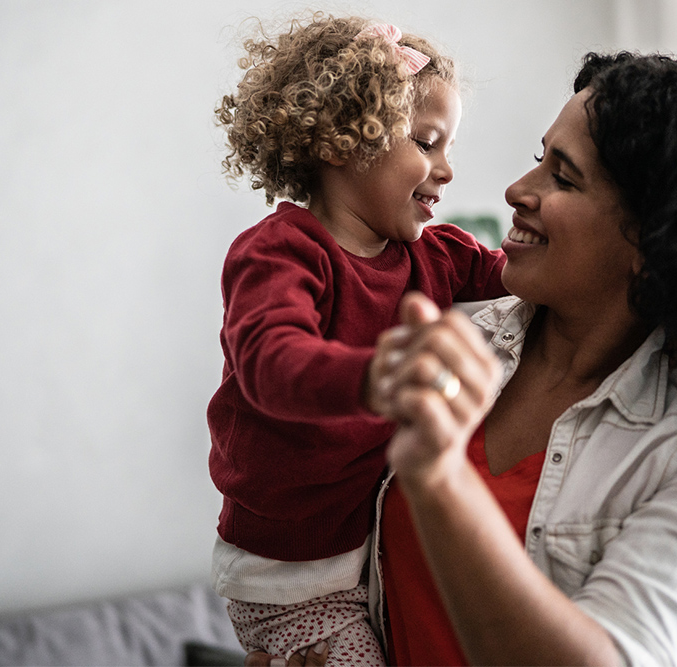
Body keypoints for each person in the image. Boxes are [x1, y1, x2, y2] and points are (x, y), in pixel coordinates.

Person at [364, 51, 677, 666]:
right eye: (539, 159)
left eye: (563, 178)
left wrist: (440, 479)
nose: (518, 190)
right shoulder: (459, 342)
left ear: (660, 240)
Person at [206, 13, 506, 666]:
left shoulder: (440, 257)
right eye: (427, 142)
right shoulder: (280, 254)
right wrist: (374, 375)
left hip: (370, 550)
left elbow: (527, 278)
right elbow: (271, 361)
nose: (446, 169)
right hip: (291, 573)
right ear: (346, 141)